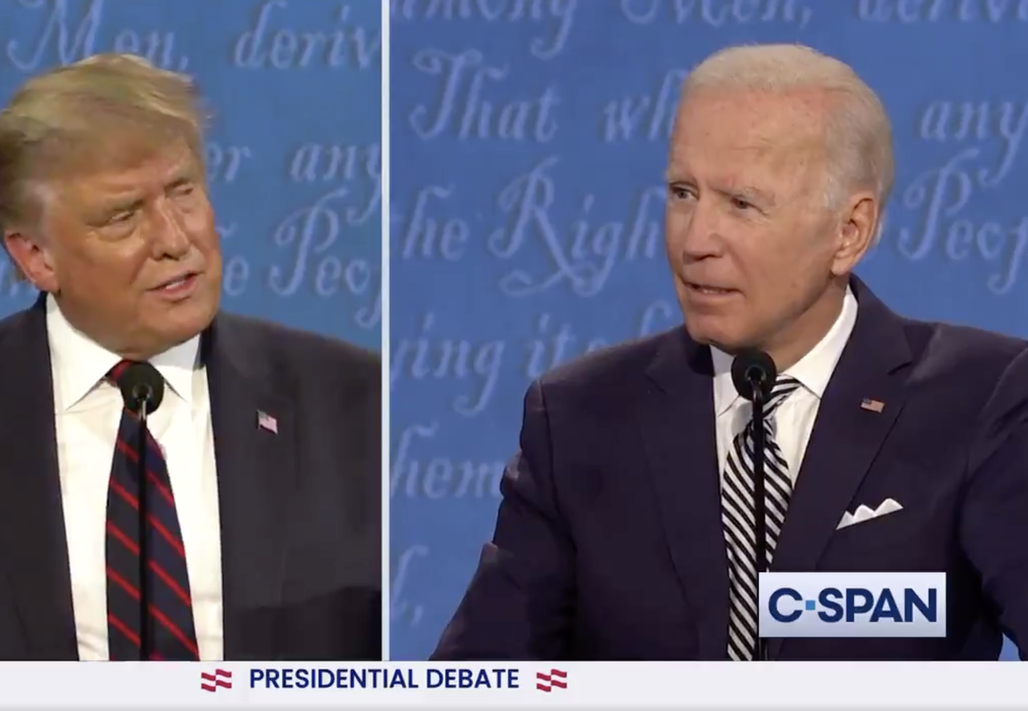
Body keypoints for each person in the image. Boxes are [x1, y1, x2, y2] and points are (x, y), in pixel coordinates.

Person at [0, 54, 381, 661]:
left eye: (182, 191)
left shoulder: (354, 401)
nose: (175, 238)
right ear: (36, 257)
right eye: (123, 216)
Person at [431, 44, 1028, 661]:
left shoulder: (980, 400)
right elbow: (480, 678)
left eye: (741, 204)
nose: (695, 240)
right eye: (683, 193)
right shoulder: (579, 418)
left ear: (849, 232)